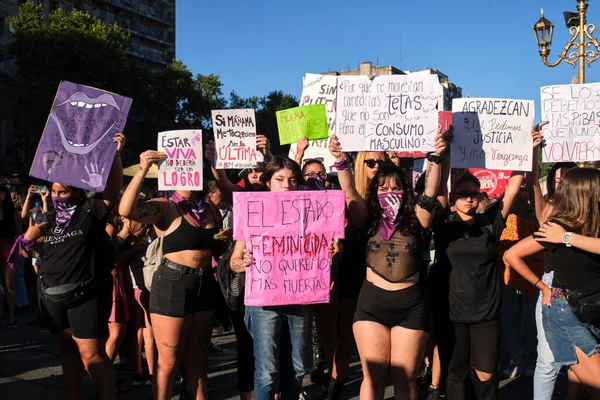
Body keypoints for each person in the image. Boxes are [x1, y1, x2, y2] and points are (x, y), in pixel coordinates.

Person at [329, 130, 446, 400]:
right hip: (372, 305)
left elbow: (430, 191)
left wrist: (437, 158)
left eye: (396, 188)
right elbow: (349, 191)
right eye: (383, 188)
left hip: (412, 307)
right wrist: (340, 160)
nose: (390, 193)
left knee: (406, 380)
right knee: (374, 379)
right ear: (375, 192)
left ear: (405, 191)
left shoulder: (418, 219)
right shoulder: (366, 218)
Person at [430, 129, 541, 400]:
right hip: (451, 312)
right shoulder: (444, 223)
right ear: (453, 197)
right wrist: (442, 152)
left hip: (485, 314)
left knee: (486, 374)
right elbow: (439, 186)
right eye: (463, 194)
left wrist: (527, 148)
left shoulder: (490, 222)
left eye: (474, 193)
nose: (469, 198)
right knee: (455, 373)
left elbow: (514, 186)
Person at [18, 133, 125, 400]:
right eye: (54, 192)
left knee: (92, 354)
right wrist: (29, 237)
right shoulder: (48, 216)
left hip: (85, 294)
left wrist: (116, 156)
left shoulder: (90, 210)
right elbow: (23, 251)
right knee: (67, 350)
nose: (57, 196)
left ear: (76, 191)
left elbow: (112, 191)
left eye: (62, 192)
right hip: (52, 295)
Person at [119, 149, 231, 400]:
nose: (190, 176)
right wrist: (144, 168)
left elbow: (217, 249)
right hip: (173, 284)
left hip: (204, 284)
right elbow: (127, 210)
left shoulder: (210, 210)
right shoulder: (165, 207)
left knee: (199, 361)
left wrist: (225, 240)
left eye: (195, 171)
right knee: (168, 361)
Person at [504, 167, 600, 399]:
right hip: (565, 312)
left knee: (578, 387)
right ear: (584, 192)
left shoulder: (590, 223)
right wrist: (541, 285)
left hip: (592, 308)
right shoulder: (556, 225)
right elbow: (511, 255)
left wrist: (566, 238)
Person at [229, 155, 309, 400]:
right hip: (264, 299)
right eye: (280, 179)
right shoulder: (253, 213)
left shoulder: (309, 214)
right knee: (267, 370)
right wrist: (243, 263)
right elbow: (234, 261)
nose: (287, 185)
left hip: (298, 294)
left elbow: (318, 251)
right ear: (268, 182)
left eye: (293, 180)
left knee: (297, 367)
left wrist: (325, 253)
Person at [526, 122, 578, 400]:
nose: (559, 182)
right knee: (548, 363)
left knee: (580, 364)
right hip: (553, 289)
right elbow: (533, 182)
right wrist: (534, 151)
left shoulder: (592, 210)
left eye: (565, 178)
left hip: (587, 289)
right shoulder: (548, 211)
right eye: (555, 178)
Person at [0, 186, 20, 328]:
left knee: (9, 285)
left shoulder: (11, 211)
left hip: (8, 246)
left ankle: (12, 316)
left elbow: (19, 233)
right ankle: (1, 314)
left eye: (2, 192)